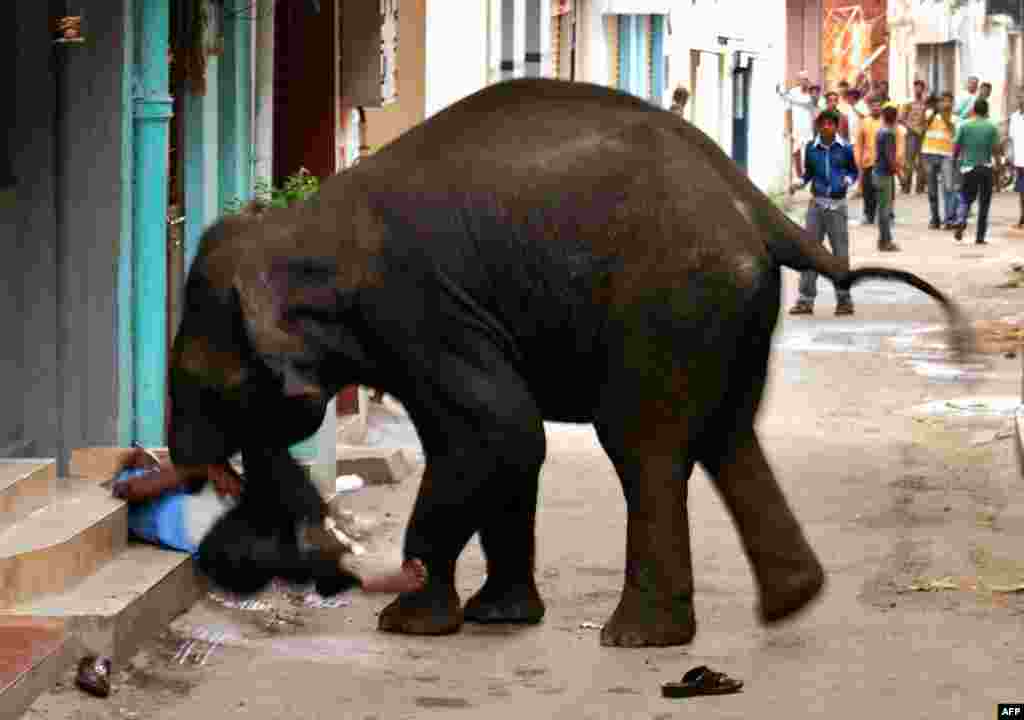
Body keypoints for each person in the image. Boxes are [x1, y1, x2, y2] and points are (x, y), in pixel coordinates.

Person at [113, 447, 428, 594]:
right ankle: (366, 576)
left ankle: (359, 572)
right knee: (288, 556)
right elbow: (134, 488)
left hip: (221, 520)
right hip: (213, 528)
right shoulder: (137, 483)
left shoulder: (168, 484)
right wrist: (192, 469)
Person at [788, 110, 859, 316]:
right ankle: (805, 300)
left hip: (837, 206)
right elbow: (808, 174)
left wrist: (847, 180)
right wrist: (799, 183)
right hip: (816, 206)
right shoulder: (811, 148)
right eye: (823, 124)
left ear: (836, 127)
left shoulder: (845, 148)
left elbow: (853, 171)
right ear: (818, 126)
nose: (827, 127)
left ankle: (844, 300)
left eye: (831, 124)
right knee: (810, 252)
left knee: (840, 255)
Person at [952, 98, 1002, 244]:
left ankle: (961, 219)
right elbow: (996, 149)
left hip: (968, 168)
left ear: (973, 110)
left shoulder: (965, 126)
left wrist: (955, 161)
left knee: (966, 197)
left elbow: (956, 147)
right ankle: (980, 237)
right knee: (984, 204)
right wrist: (998, 165)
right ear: (986, 111)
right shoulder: (992, 127)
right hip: (985, 168)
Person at [922, 91, 960, 229]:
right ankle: (935, 218)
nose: (945, 104)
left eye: (948, 101)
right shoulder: (931, 115)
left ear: (952, 103)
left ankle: (949, 218)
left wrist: (944, 116)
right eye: (942, 101)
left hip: (946, 155)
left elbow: (953, 131)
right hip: (929, 153)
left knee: (948, 187)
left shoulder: (955, 118)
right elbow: (923, 126)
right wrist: (933, 111)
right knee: (932, 190)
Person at [778, 71, 818, 182]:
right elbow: (788, 110)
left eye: (806, 79)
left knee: (809, 152)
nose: (804, 81)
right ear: (798, 80)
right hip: (797, 127)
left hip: (808, 128)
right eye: (802, 79)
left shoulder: (812, 94)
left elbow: (814, 107)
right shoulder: (793, 93)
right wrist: (787, 128)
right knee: (796, 151)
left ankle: (807, 176)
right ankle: (799, 175)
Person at [875, 103, 902, 252]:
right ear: (894, 118)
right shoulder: (888, 133)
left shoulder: (880, 131)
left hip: (879, 173)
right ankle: (886, 241)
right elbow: (890, 157)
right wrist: (899, 174)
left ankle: (883, 240)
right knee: (885, 210)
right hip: (884, 174)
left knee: (882, 209)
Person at [856, 96, 884, 224]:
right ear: (869, 107)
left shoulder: (886, 122)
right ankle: (868, 215)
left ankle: (885, 215)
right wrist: (859, 159)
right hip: (868, 161)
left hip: (884, 162)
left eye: (878, 105)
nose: (876, 108)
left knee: (884, 190)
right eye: (873, 106)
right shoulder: (864, 122)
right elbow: (859, 143)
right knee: (868, 190)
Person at [899, 79, 929, 194]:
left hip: (922, 135)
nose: (918, 89)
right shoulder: (908, 103)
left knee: (922, 161)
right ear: (914, 88)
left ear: (923, 89)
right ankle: (906, 187)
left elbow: (927, 118)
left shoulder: (925, 103)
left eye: (921, 87)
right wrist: (912, 128)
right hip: (911, 134)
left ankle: (920, 188)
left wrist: (924, 127)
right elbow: (901, 118)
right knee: (909, 161)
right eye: (916, 87)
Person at [1009, 89, 1024, 228]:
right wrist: (1011, 156)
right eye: (1019, 97)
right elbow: (1012, 138)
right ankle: (1022, 217)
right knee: (1021, 190)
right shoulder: (1014, 117)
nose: (1021, 100)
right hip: (1019, 160)